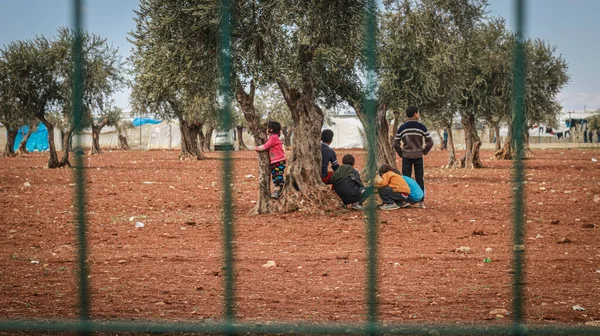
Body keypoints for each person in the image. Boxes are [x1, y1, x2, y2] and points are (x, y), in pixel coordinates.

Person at [393, 106, 433, 208]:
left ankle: (406, 200)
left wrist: (401, 153)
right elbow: (430, 142)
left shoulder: (402, 128)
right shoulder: (421, 127)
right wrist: (424, 151)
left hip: (406, 156)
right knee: (419, 178)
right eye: (418, 113)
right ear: (415, 114)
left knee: (406, 178)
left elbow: (396, 143)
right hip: (418, 156)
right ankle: (421, 202)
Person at [255, 121, 286, 199]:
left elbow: (266, 146)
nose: (266, 129)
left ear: (271, 130)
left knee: (277, 176)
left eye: (267, 128)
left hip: (279, 161)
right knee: (275, 176)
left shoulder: (274, 137)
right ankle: (279, 187)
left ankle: (278, 190)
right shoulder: (273, 137)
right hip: (276, 161)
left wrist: (257, 148)